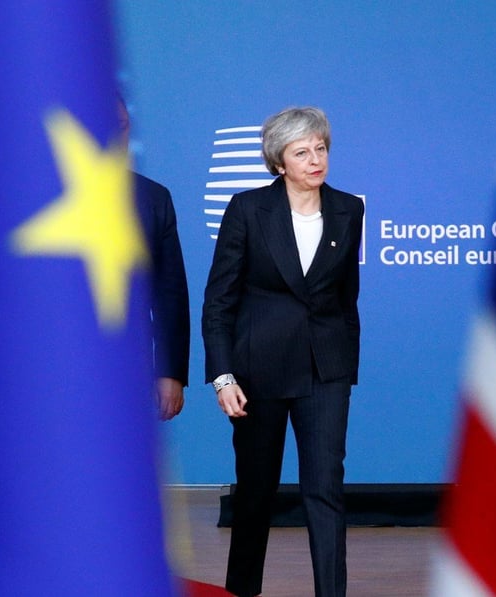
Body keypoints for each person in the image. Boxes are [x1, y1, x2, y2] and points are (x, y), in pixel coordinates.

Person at [202, 106, 363, 597]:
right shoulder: (248, 209)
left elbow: (344, 296)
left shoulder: (348, 208)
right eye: (302, 152)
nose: (316, 160)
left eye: (321, 148)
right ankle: (241, 591)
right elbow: (220, 300)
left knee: (325, 491)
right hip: (257, 374)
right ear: (278, 163)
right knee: (255, 495)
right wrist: (223, 376)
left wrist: (344, 363)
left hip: (324, 371)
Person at [119, 94, 189, 420]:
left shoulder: (153, 198)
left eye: (121, 126)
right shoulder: (33, 193)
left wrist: (169, 372)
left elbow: (168, 294)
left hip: (128, 367)